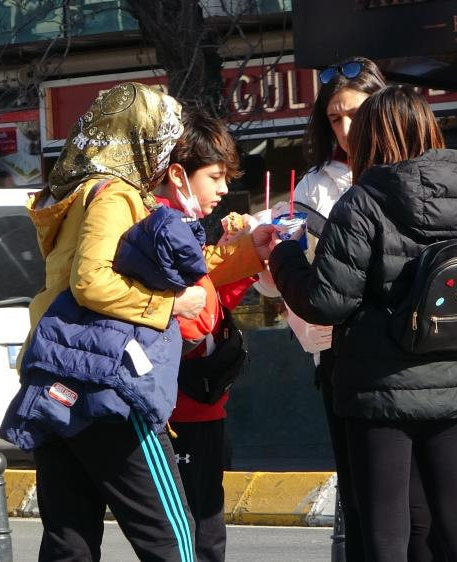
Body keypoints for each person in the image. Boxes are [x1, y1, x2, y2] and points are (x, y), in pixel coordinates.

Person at [22, 83, 274, 562]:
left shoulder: (78, 194)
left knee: (68, 541)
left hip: (57, 377)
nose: (165, 147)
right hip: (107, 383)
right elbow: (91, 283)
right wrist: (169, 306)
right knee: (175, 541)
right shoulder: (114, 194)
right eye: (161, 134)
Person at [269, 86, 457, 561]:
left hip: (380, 388)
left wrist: (284, 254)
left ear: (373, 136)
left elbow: (325, 301)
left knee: (383, 530)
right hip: (453, 377)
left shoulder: (362, 201)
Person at [153, 111, 263, 562]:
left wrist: (239, 258)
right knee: (194, 529)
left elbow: (211, 303)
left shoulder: (186, 227)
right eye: (215, 177)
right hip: (180, 401)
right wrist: (240, 256)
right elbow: (195, 316)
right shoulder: (160, 224)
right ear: (179, 174)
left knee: (204, 524)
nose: (223, 189)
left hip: (202, 397)